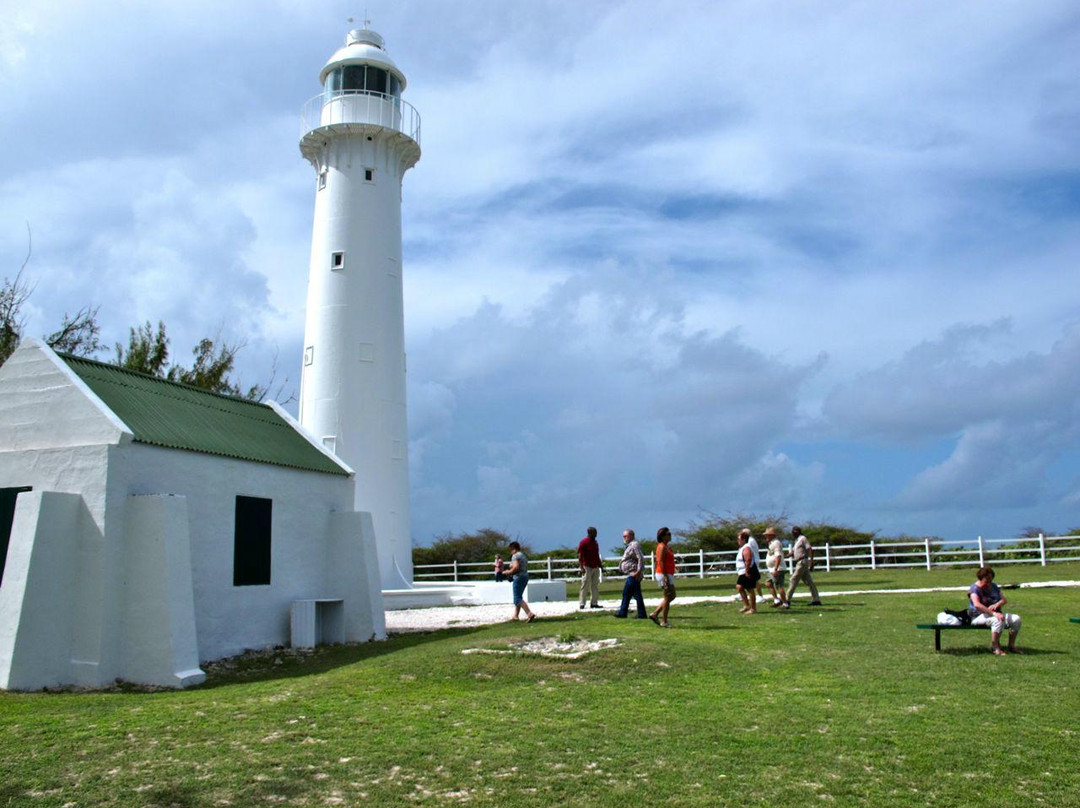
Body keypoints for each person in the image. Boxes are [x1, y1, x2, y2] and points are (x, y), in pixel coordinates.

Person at [968, 566, 1021, 655]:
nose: (989, 583)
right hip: (978, 616)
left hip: (995, 613)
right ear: (980, 579)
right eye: (986, 580)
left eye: (990, 580)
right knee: (998, 620)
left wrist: (997, 604)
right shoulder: (974, 588)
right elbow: (977, 604)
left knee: (1016, 619)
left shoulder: (993, 586)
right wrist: (993, 613)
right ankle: (995, 647)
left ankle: (1011, 646)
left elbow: (1004, 600)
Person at [783, 526, 821, 608]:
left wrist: (811, 562)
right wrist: (785, 556)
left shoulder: (803, 538)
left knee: (793, 579)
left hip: (802, 562)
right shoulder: (797, 541)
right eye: (793, 531)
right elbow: (794, 552)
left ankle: (787, 599)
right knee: (809, 581)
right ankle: (816, 599)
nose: (794, 533)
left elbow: (810, 549)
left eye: (795, 531)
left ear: (799, 532)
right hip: (799, 562)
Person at [614, 529, 647, 618]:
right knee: (628, 593)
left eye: (626, 536)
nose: (624, 538)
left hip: (634, 573)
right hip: (631, 573)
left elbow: (640, 558)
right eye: (624, 536)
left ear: (632, 536)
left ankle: (639, 614)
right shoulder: (630, 546)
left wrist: (638, 572)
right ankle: (624, 612)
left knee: (633, 594)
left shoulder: (634, 545)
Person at [648, 526, 677, 627]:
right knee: (668, 596)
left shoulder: (667, 547)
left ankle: (655, 614)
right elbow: (660, 561)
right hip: (663, 574)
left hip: (668, 573)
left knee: (670, 596)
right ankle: (663, 621)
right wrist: (665, 576)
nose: (670, 536)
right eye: (668, 534)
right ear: (663, 536)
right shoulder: (661, 547)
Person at [505, 541, 536, 623]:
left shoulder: (515, 556)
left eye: (510, 550)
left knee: (517, 598)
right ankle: (516, 615)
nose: (510, 552)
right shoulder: (523, 555)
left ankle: (529, 613)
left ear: (513, 549)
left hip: (518, 578)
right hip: (525, 576)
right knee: (519, 596)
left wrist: (508, 572)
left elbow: (516, 568)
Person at [577, 526, 603, 609]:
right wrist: (581, 567)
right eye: (595, 532)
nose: (596, 534)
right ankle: (582, 603)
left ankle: (594, 603)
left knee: (595, 585)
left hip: (595, 566)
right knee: (585, 585)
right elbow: (580, 555)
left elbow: (596, 554)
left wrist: (600, 565)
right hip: (587, 566)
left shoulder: (595, 542)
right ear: (590, 533)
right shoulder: (583, 542)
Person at [735, 529, 759, 614]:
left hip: (747, 571)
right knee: (739, 587)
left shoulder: (747, 548)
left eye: (739, 539)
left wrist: (747, 571)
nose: (738, 541)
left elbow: (748, 559)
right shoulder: (742, 548)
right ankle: (746, 605)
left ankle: (753, 608)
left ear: (744, 539)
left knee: (750, 589)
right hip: (742, 571)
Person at [762, 527, 786, 607]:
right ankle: (776, 600)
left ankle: (785, 603)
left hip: (777, 568)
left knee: (779, 586)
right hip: (771, 569)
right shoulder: (771, 543)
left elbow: (778, 556)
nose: (766, 537)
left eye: (767, 535)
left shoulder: (776, 543)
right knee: (768, 583)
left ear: (771, 535)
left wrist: (776, 568)